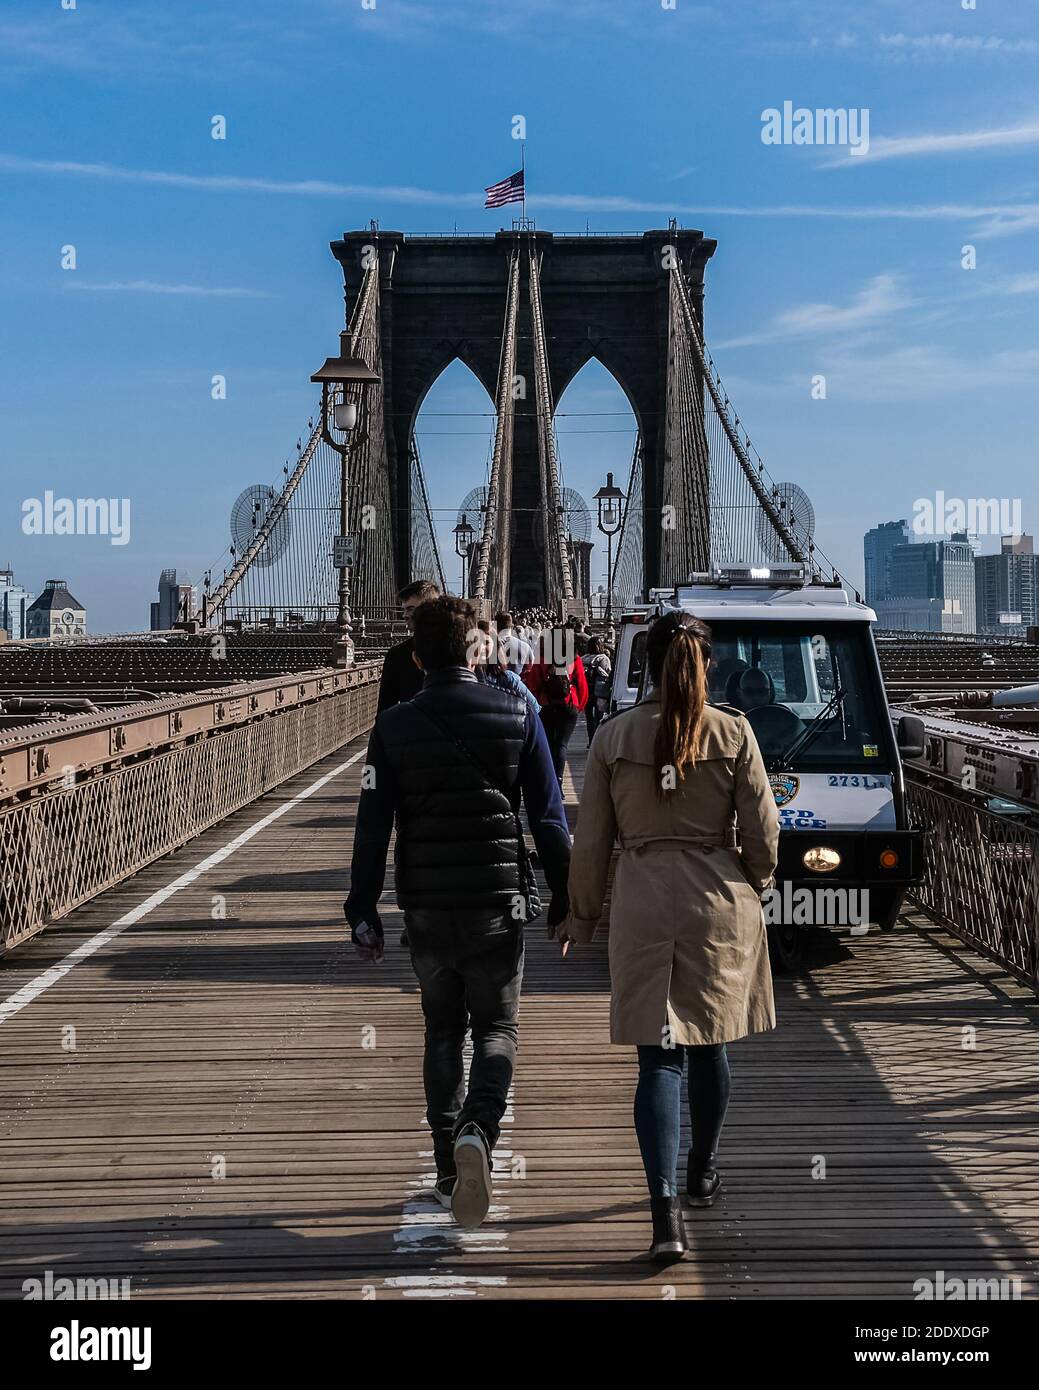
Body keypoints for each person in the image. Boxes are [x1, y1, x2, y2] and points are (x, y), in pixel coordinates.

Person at [345, 596, 572, 1230]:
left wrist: (362, 908)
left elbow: (371, 826)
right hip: (498, 903)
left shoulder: (392, 727)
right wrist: (566, 900)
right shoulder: (518, 715)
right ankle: (480, 1128)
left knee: (442, 1032)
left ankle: (448, 1168)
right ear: (477, 651)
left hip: (425, 906)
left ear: (416, 657)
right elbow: (550, 820)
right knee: (497, 1029)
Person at [560, 611, 779, 1262]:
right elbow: (763, 833)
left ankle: (664, 1218)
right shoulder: (733, 731)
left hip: (642, 898)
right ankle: (702, 1168)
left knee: (659, 1057)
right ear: (705, 664)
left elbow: (592, 840)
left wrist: (581, 916)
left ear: (646, 664)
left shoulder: (612, 736)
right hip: (717, 897)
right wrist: (753, 885)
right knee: (708, 1046)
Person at [523, 627, 589, 786]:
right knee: (561, 744)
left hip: (547, 705)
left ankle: (549, 779)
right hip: (569, 704)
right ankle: (558, 781)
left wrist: (539, 700)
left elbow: (533, 684)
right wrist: (579, 706)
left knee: (549, 744)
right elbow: (582, 686)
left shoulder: (542, 658)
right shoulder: (574, 658)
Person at [376, 579, 440, 714]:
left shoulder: (457, 649)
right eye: (404, 610)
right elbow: (385, 709)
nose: (404, 615)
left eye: (410, 609)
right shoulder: (397, 655)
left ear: (430, 608)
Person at [582, 636, 612, 741]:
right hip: (600, 690)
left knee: (589, 717)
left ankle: (590, 739)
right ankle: (596, 739)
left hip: (586, 691)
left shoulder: (583, 659)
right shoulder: (603, 658)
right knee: (598, 717)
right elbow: (607, 673)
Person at [494, 611, 533, 675]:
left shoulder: (490, 646)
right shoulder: (525, 646)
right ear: (512, 627)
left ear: (495, 627)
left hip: (493, 683)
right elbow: (529, 669)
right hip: (517, 682)